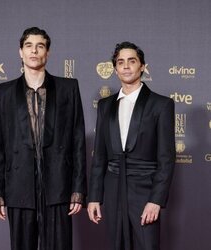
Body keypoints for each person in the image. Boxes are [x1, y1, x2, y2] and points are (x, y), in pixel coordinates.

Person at [0, 27, 87, 250]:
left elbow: (78, 141)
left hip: (58, 185)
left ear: (48, 53)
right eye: (29, 46)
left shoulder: (68, 88)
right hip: (19, 185)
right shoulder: (4, 91)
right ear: (20, 52)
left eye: (40, 46)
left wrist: (78, 189)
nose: (34, 51)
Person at [87, 41, 175, 250]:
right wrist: (94, 197)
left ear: (142, 66)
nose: (126, 66)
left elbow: (166, 158)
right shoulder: (105, 105)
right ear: (115, 69)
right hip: (113, 189)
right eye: (120, 62)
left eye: (132, 61)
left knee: (147, 245)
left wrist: (156, 200)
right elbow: (99, 156)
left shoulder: (161, 104)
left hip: (145, 190)